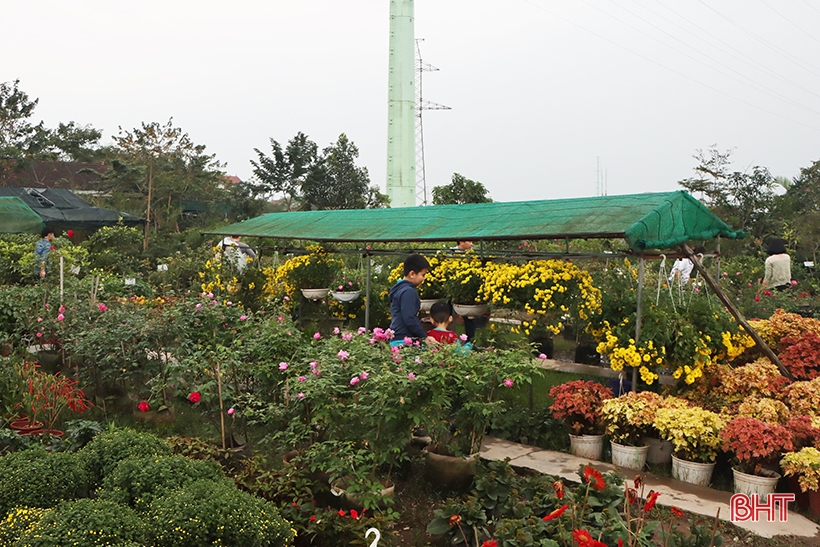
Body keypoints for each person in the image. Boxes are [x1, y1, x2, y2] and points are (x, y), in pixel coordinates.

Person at [388, 254, 435, 345]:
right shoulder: (408, 292)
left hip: (396, 339)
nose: (424, 279)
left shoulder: (399, 289)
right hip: (404, 340)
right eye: (423, 275)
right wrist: (424, 337)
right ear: (412, 274)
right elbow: (410, 318)